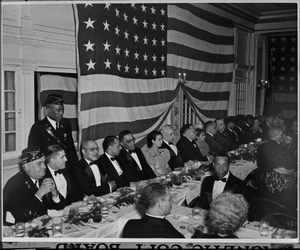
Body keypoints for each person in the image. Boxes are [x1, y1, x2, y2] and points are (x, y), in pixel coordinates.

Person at [3, 147, 65, 223]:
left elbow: (61, 207)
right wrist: (39, 195)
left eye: (44, 162)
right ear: (26, 167)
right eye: (39, 164)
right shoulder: (14, 185)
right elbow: (20, 217)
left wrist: (54, 193)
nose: (44, 167)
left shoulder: (43, 177)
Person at [27, 93, 78, 175]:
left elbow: (70, 147)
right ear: (48, 110)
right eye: (58, 110)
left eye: (63, 110)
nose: (61, 113)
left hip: (65, 167)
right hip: (48, 170)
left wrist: (76, 167)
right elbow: (34, 153)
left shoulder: (65, 123)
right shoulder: (38, 127)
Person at [256, 152, 297, 217]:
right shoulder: (290, 181)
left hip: (264, 210)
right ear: (290, 166)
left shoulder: (264, 174)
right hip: (284, 214)